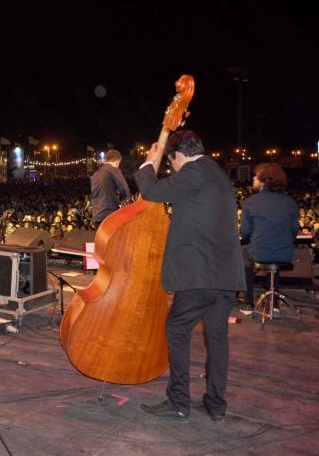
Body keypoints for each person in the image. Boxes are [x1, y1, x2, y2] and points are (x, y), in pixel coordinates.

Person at [134, 130, 245, 423]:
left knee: (177, 329)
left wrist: (148, 162)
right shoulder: (218, 174)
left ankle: (179, 402)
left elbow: (152, 190)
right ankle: (215, 404)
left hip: (200, 276)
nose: (174, 167)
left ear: (179, 155)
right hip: (226, 276)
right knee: (217, 338)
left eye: (173, 162)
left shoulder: (194, 171)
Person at [239, 163, 299, 315]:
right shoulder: (290, 202)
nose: (253, 178)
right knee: (274, 255)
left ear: (264, 181)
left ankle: (248, 302)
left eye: (256, 176)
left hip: (260, 252)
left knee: (244, 254)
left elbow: (245, 233)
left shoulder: (251, 202)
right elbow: (294, 231)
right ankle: (275, 304)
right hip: (285, 254)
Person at [90, 149, 130, 229]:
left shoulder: (95, 174)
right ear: (117, 161)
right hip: (109, 214)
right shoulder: (114, 170)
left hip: (97, 216)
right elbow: (125, 190)